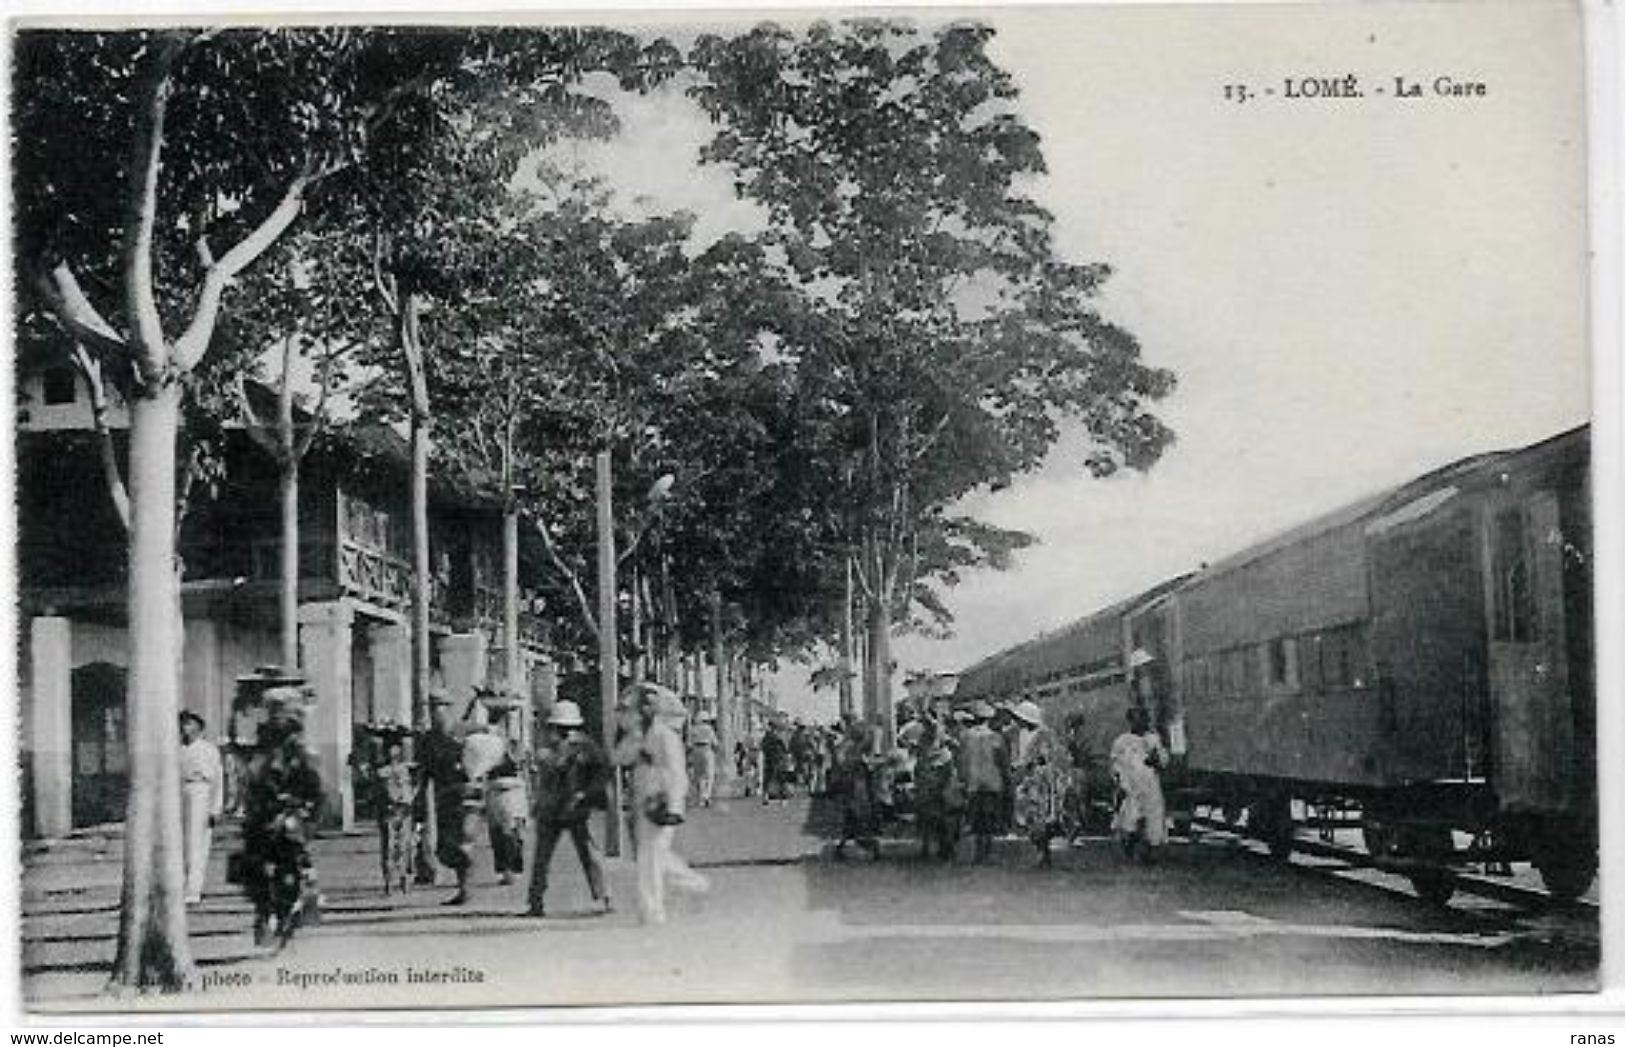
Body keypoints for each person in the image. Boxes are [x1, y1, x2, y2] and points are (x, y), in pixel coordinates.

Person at [614, 684, 710, 924]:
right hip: (641, 799)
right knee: (653, 855)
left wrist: (675, 805)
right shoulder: (637, 736)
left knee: (651, 857)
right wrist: (633, 739)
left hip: (662, 800)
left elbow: (677, 772)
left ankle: (652, 911)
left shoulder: (666, 736)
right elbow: (618, 758)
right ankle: (694, 884)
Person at [239, 688, 323, 946]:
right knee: (253, 866)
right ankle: (263, 913)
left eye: (282, 712)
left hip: (289, 815)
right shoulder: (261, 744)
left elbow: (313, 785)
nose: (277, 717)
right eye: (274, 711)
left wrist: (302, 807)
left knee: (291, 863)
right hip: (262, 814)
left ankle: (291, 910)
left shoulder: (299, 748)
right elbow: (252, 777)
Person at [527, 700, 612, 917]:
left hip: (574, 806)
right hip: (552, 806)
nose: (565, 732)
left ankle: (603, 897)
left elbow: (601, 773)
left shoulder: (586, 747)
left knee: (588, 852)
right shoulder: (547, 747)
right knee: (543, 858)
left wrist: (587, 792)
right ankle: (535, 901)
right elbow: (546, 770)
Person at [419, 690, 475, 905]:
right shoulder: (428, 739)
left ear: (448, 708)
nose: (436, 712)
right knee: (445, 844)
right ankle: (462, 887)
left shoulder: (460, 733)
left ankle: (465, 889)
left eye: (440, 707)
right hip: (441, 795)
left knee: (462, 840)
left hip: (461, 792)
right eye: (433, 708)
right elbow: (424, 768)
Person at [1010, 700, 1074, 867]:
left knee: (1042, 819)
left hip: (1044, 784)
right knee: (1031, 818)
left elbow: (1055, 758)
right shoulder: (1023, 735)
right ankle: (1042, 852)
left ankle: (1044, 853)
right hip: (1031, 782)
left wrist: (1037, 764)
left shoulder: (1045, 735)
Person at [464, 720, 525, 887]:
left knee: (506, 833)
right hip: (501, 790)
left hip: (508, 791)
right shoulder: (493, 744)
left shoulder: (508, 745)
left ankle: (510, 869)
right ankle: (508, 870)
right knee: (502, 833)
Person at [1111, 705, 1169, 862]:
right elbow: (1116, 764)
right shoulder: (1122, 741)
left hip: (1150, 784)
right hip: (1130, 785)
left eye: (1142, 719)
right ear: (1130, 721)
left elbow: (1163, 760)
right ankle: (1129, 844)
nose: (1140, 723)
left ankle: (1150, 850)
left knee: (1153, 818)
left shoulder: (1152, 739)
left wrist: (1156, 759)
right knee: (1130, 818)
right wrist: (1119, 783)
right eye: (1136, 719)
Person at [178, 711, 224, 905]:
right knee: (181, 843)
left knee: (197, 843)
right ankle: (180, 886)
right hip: (181, 791)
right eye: (183, 724)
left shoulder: (208, 750)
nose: (185, 728)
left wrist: (215, 808)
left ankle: (193, 889)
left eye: (189, 724)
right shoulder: (178, 749)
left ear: (198, 727)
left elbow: (218, 780)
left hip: (201, 791)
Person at [957, 700, 1009, 863]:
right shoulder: (996, 738)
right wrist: (1006, 779)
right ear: (989, 719)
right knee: (990, 818)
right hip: (992, 781)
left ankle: (978, 853)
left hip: (973, 782)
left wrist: (963, 780)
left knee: (976, 819)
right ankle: (987, 852)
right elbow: (1003, 762)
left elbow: (961, 761)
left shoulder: (965, 736)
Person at [912, 718, 965, 861]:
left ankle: (928, 848)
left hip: (929, 786)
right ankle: (945, 848)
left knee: (928, 818)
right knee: (945, 819)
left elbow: (918, 772)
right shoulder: (945, 753)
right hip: (941, 787)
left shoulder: (924, 749)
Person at [830, 720, 882, 860]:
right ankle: (870, 848)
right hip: (858, 788)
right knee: (859, 819)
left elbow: (842, 764)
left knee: (853, 819)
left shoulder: (849, 748)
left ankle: (843, 848)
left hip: (854, 787)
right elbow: (867, 767)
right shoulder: (853, 750)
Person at [376, 732, 418, 895]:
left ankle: (403, 880)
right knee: (390, 846)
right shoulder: (383, 771)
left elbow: (414, 787)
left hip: (402, 810)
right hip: (390, 810)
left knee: (405, 846)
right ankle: (390, 881)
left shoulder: (406, 769)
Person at [688, 711, 720, 808]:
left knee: (699, 775)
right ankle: (707, 795)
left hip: (696, 751)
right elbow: (715, 743)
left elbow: (688, 744)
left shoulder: (693, 729)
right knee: (709, 775)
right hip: (707, 750)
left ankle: (701, 797)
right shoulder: (709, 729)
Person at [760, 721, 790, 805]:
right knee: (779, 778)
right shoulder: (775, 737)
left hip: (772, 760)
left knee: (771, 778)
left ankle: (768, 797)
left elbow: (763, 747)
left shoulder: (768, 737)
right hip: (775, 760)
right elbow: (784, 749)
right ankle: (782, 798)